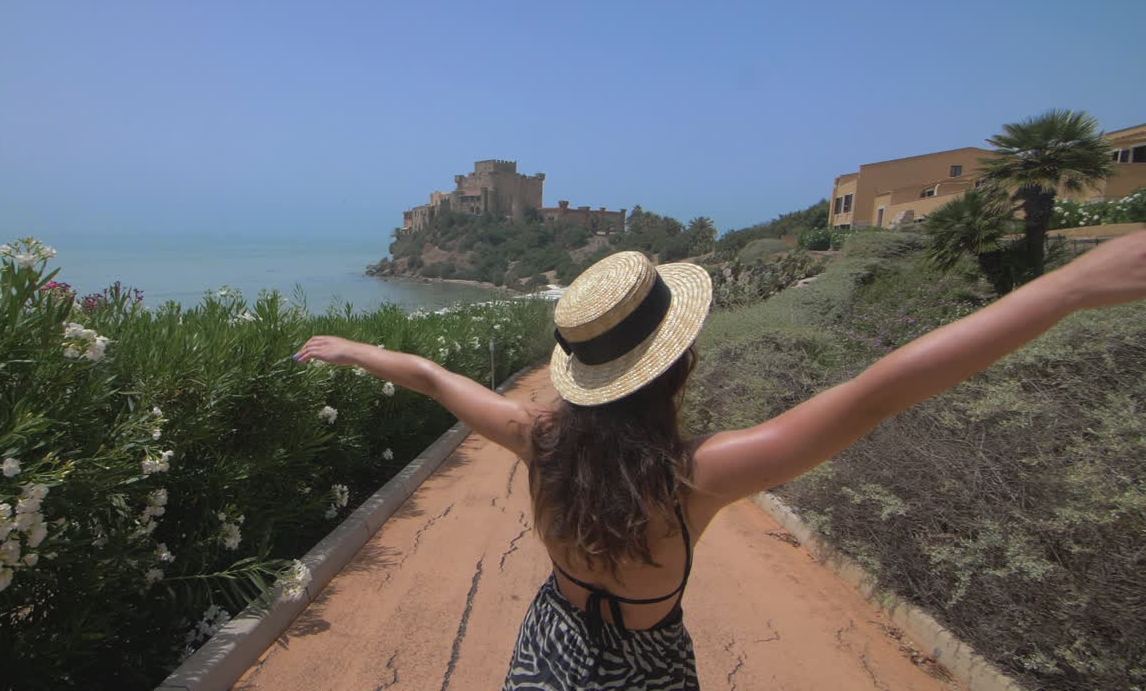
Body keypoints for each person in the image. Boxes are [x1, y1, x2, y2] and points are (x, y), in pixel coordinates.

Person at [294, 231, 1146, 691]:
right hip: (648, 669)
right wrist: (1063, 289)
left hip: (548, 647)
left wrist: (351, 349)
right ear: (680, 361)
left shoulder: (536, 437)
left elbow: (435, 377)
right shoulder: (696, 474)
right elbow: (881, 388)